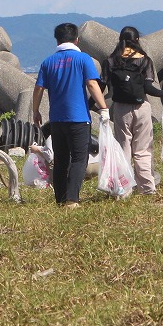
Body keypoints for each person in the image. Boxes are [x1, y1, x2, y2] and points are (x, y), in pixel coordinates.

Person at [32, 23, 107, 207]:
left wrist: (35, 111)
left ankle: (60, 199)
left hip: (57, 119)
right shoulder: (83, 59)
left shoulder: (48, 62)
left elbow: (39, 88)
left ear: (57, 40)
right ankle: (72, 199)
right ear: (77, 39)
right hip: (79, 117)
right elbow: (91, 84)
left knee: (61, 160)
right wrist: (103, 107)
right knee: (80, 158)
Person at [100, 26, 163, 196]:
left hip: (120, 109)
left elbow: (101, 87)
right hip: (142, 108)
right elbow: (149, 87)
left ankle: (124, 189)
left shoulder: (110, 61)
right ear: (137, 40)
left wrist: (90, 105)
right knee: (142, 150)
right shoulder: (144, 60)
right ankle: (147, 188)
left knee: (123, 148)